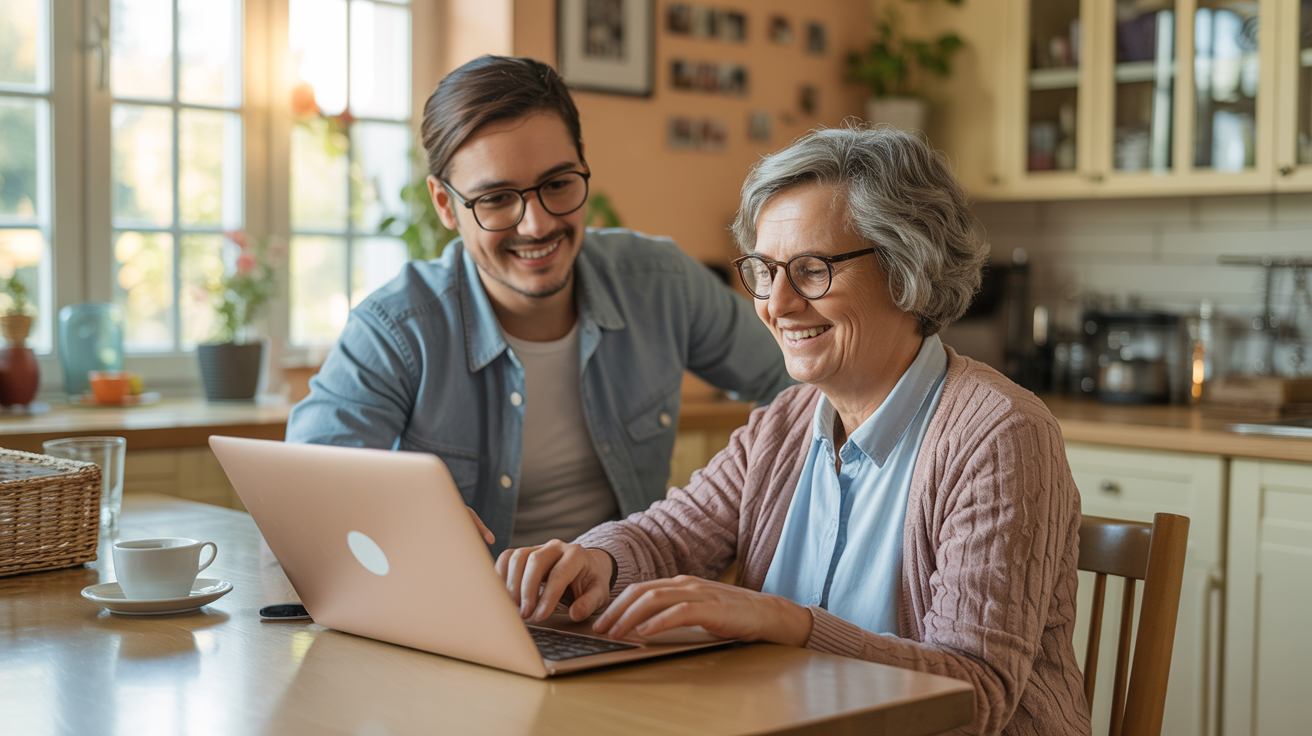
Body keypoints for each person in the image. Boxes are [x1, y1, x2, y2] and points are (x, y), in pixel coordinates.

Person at [498, 127, 1091, 736]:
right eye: (763, 269)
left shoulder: (999, 436)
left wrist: (786, 623)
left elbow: (977, 695)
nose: (776, 304)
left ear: (906, 267)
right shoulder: (784, 422)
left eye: (810, 270)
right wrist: (595, 559)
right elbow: (668, 539)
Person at [286, 56, 792, 555]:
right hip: (462, 620)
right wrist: (393, 511)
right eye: (497, 198)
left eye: (557, 184)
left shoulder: (660, 283)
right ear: (445, 205)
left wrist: (742, 502)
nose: (536, 225)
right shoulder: (397, 328)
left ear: (582, 162)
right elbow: (305, 494)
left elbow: (802, 383)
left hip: (624, 609)